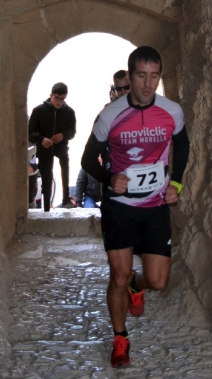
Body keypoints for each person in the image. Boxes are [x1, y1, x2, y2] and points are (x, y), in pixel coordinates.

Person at [81, 46, 189, 368]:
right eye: (141, 76)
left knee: (157, 281)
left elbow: (182, 144)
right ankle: (120, 338)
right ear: (131, 76)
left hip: (155, 206)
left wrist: (176, 184)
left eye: (154, 76)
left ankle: (136, 284)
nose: (148, 84)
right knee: (118, 276)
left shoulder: (172, 111)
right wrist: (109, 177)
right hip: (120, 207)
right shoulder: (110, 115)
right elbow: (87, 159)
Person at [28, 82, 77, 211]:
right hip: (44, 148)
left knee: (65, 170)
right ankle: (46, 207)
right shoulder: (38, 110)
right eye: (57, 98)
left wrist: (63, 135)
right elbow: (29, 133)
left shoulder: (69, 112)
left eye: (63, 99)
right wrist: (41, 139)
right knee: (46, 178)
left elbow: (73, 132)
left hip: (61, 147)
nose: (59, 102)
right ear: (51, 95)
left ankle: (66, 200)